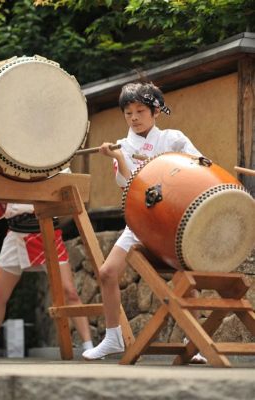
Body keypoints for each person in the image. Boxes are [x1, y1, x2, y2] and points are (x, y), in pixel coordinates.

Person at [82, 81, 206, 363]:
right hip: (140, 219)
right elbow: (127, 183)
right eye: (128, 113)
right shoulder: (122, 146)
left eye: (140, 111)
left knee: (184, 276)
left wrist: (167, 162)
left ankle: (194, 341)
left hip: (172, 218)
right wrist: (116, 158)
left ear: (156, 112)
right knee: (107, 273)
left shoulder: (173, 138)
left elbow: (199, 163)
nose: (134, 118)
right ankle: (113, 337)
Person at [0, 201, 93, 358]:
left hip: (47, 230)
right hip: (16, 234)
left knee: (69, 291)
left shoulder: (51, 173)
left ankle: (89, 346)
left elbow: (66, 193)